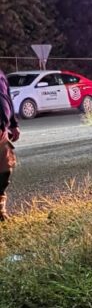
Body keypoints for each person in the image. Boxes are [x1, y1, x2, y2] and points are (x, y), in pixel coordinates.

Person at [0, 68, 20, 222]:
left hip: (2, 131)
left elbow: (7, 99)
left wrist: (13, 124)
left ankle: (0, 210)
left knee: (5, 171)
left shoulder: (1, 74)